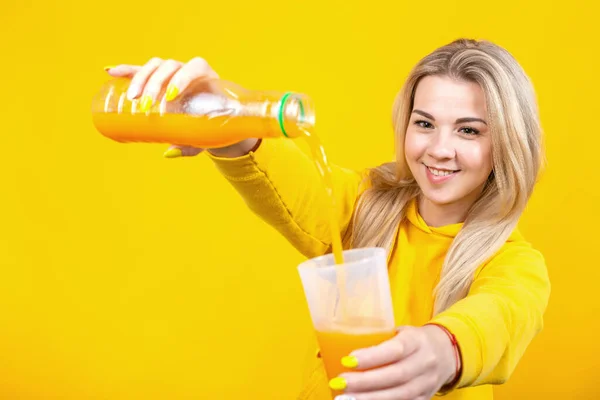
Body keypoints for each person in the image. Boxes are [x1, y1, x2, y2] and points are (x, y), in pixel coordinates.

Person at [105, 38, 551, 400]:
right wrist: (224, 117)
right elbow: (293, 185)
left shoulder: (512, 263)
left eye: (469, 129)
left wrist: (444, 347)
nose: (438, 148)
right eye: (424, 123)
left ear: (508, 144)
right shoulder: (364, 204)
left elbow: (502, 316)